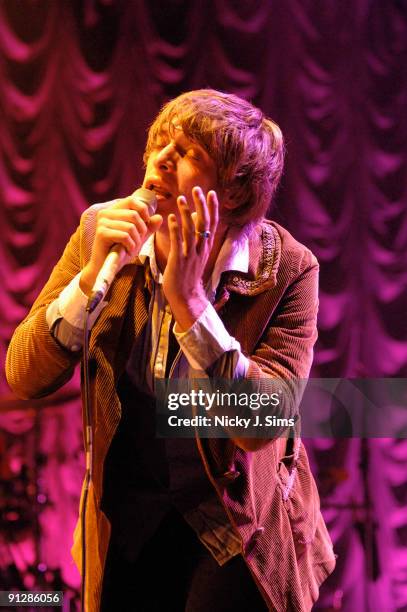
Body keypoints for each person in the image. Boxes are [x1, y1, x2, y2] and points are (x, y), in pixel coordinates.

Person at [6, 89, 336, 611]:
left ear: (233, 191)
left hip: (232, 528)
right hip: (127, 518)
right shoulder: (103, 230)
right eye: (159, 142)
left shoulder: (287, 270)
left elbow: (259, 426)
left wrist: (193, 305)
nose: (159, 159)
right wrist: (92, 275)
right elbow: (23, 374)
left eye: (188, 154)